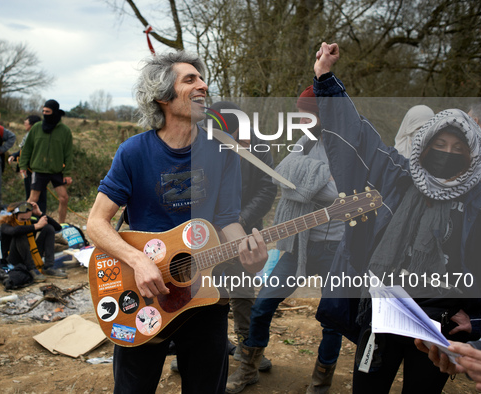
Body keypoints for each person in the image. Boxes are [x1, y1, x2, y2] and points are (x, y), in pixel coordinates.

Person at [312, 42, 481, 393]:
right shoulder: (397, 174)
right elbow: (357, 135)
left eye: (458, 149)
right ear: (424, 145)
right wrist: (326, 79)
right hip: (382, 310)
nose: (447, 154)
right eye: (440, 145)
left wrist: (479, 319)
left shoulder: (480, 202)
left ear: (472, 157)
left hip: (439, 325)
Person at [86, 51, 268, 394]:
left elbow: (228, 220)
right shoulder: (133, 152)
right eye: (190, 80)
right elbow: (95, 223)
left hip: (205, 294)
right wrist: (138, 262)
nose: (203, 85)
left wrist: (250, 253)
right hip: (142, 295)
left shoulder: (222, 151)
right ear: (163, 96)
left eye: (202, 78)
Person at [225, 87, 343, 394]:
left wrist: (308, 179)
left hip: (337, 247)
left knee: (332, 318)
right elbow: (285, 178)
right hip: (299, 243)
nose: (301, 119)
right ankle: (248, 369)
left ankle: (321, 382)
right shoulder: (304, 143)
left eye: (307, 114)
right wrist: (316, 178)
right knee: (263, 305)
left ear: (323, 115)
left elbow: (329, 191)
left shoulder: (345, 147)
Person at [167, 101, 277, 373]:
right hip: (203, 237)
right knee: (197, 293)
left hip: (242, 234)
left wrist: (235, 223)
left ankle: (248, 351)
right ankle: (190, 353)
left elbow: (266, 190)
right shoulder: (202, 144)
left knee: (241, 294)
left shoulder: (259, 147)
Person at [19, 100, 73, 223]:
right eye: (43, 111)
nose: (45, 114)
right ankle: (22, 222)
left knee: (64, 198)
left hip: (57, 170)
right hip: (39, 170)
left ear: (54, 112)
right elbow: (27, 148)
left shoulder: (65, 131)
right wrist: (23, 165)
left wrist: (67, 173)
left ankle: (61, 225)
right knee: (32, 199)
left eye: (47, 112)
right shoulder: (36, 128)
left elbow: (69, 154)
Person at [0, 201, 67, 280]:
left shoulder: (29, 222)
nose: (25, 221)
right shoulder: (6, 225)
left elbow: (57, 227)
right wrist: (36, 226)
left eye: (27, 219)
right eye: (22, 219)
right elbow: (15, 231)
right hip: (14, 258)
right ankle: (32, 269)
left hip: (30, 254)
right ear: (15, 216)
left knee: (49, 228)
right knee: (21, 234)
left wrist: (40, 213)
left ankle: (49, 267)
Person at [8, 115, 47, 213]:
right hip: (26, 169)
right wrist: (14, 155)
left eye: (26, 123)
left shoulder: (39, 136)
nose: (25, 124)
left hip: (36, 170)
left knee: (38, 195)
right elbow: (24, 150)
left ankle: (40, 215)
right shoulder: (28, 135)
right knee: (29, 193)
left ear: (33, 125)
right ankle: (29, 215)